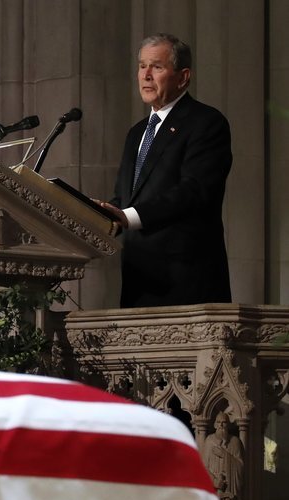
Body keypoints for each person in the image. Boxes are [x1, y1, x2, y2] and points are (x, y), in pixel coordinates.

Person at [99, 34, 232, 309]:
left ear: (183, 77)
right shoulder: (136, 133)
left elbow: (194, 191)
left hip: (185, 283)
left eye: (156, 67)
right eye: (141, 66)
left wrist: (127, 217)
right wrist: (93, 217)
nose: (146, 75)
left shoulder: (206, 123)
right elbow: (123, 199)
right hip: (139, 280)